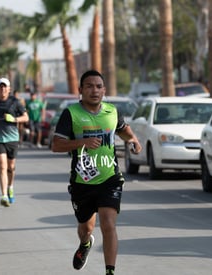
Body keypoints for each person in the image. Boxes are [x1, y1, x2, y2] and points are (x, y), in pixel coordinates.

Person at [51, 70, 142, 275]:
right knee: (86, 229)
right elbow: (56, 145)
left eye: (99, 86)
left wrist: (133, 140)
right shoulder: (71, 113)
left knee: (108, 223)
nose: (95, 90)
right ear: (80, 90)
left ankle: (110, 271)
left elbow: (123, 129)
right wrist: (81, 142)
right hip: (82, 181)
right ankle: (85, 244)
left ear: (104, 90)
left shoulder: (112, 111)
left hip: (110, 178)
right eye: (90, 86)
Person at [0, 77, 28, 207]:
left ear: (9, 89)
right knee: (2, 166)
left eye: (5, 87)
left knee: (11, 167)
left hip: (12, 139)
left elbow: (26, 117)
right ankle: (3, 196)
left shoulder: (15, 102)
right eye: (0, 87)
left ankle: (10, 187)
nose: (2, 89)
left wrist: (14, 119)